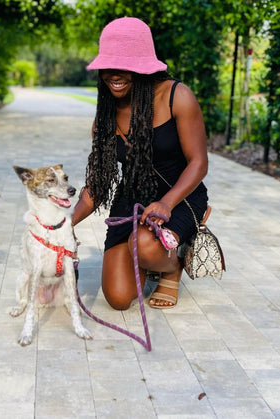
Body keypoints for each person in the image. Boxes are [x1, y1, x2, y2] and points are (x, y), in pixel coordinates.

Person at [72, 17, 208, 310]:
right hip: (132, 200)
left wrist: (167, 203)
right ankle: (149, 257)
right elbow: (97, 183)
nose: (114, 75)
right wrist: (63, 225)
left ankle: (170, 268)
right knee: (119, 299)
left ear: (143, 67)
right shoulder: (105, 117)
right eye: (108, 65)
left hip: (178, 196)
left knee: (145, 246)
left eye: (124, 66)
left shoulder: (177, 97)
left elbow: (199, 163)